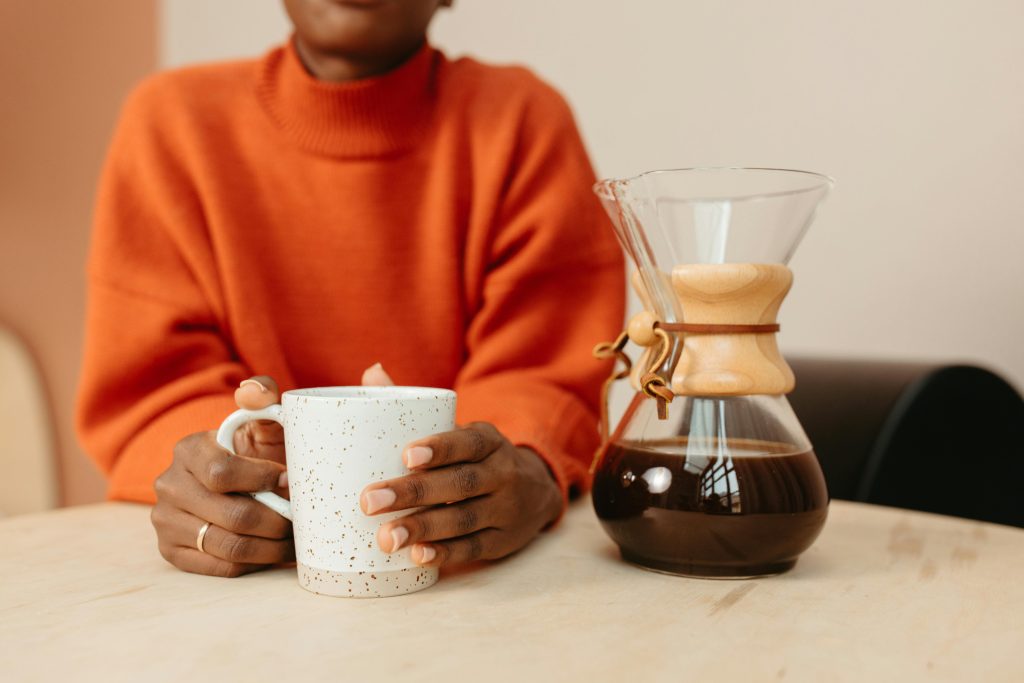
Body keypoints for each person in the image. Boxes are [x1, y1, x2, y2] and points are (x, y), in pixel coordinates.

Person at [76, 0, 624, 578]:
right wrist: (217, 464)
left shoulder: (521, 121)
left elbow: (544, 372)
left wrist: (523, 463)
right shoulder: (173, 123)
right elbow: (151, 386)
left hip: (461, 585)